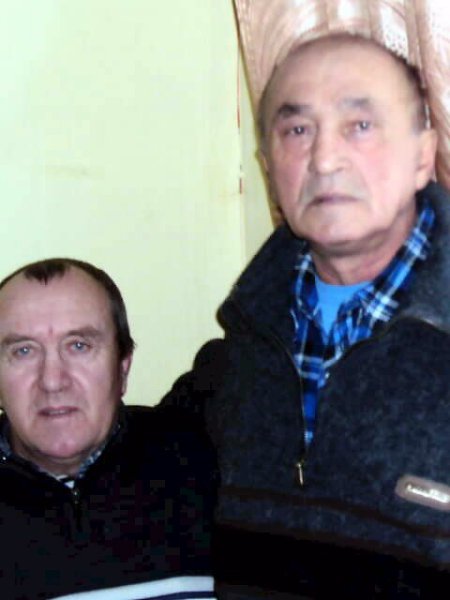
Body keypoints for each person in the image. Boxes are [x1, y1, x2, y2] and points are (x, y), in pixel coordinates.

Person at [162, 34, 450, 597]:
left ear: (423, 155)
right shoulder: (238, 359)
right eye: (297, 130)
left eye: (359, 125)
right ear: (268, 167)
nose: (324, 159)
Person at [0, 258, 217, 600]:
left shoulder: (204, 459)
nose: (53, 381)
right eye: (23, 350)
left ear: (123, 368)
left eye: (79, 345)